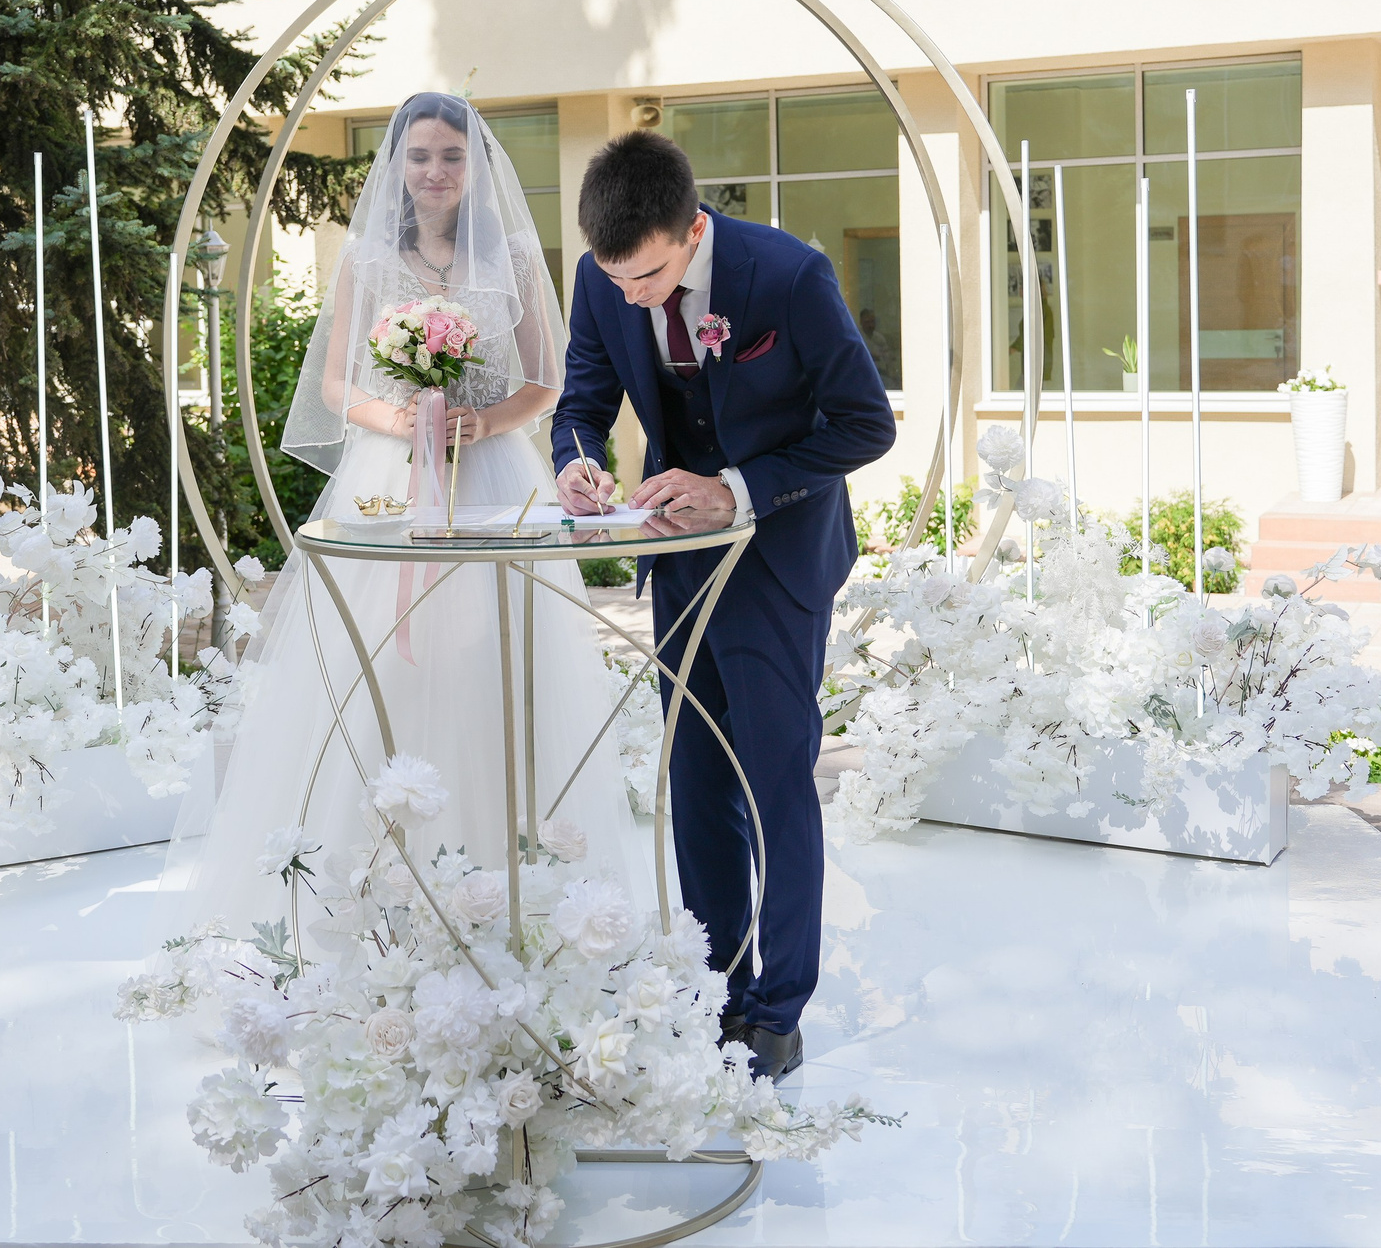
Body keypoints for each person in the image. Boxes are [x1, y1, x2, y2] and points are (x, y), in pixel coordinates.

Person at [166, 93, 650, 938]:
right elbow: (334, 386)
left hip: (491, 478)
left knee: (494, 663)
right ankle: (368, 898)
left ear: (475, 166)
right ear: (398, 166)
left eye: (452, 156)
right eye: (420, 155)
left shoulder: (506, 255)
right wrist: (403, 420)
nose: (435, 171)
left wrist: (483, 423)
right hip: (389, 479)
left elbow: (546, 380)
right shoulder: (367, 257)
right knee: (380, 671)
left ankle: (510, 895)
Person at [552, 132, 896, 1080]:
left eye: (651, 276)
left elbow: (866, 424)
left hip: (779, 556)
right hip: (680, 565)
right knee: (696, 781)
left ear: (691, 228)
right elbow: (581, 397)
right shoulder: (602, 277)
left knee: (774, 781)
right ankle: (717, 987)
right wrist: (577, 459)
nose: (633, 295)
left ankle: (779, 1010)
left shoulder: (788, 275)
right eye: (618, 280)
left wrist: (737, 487)